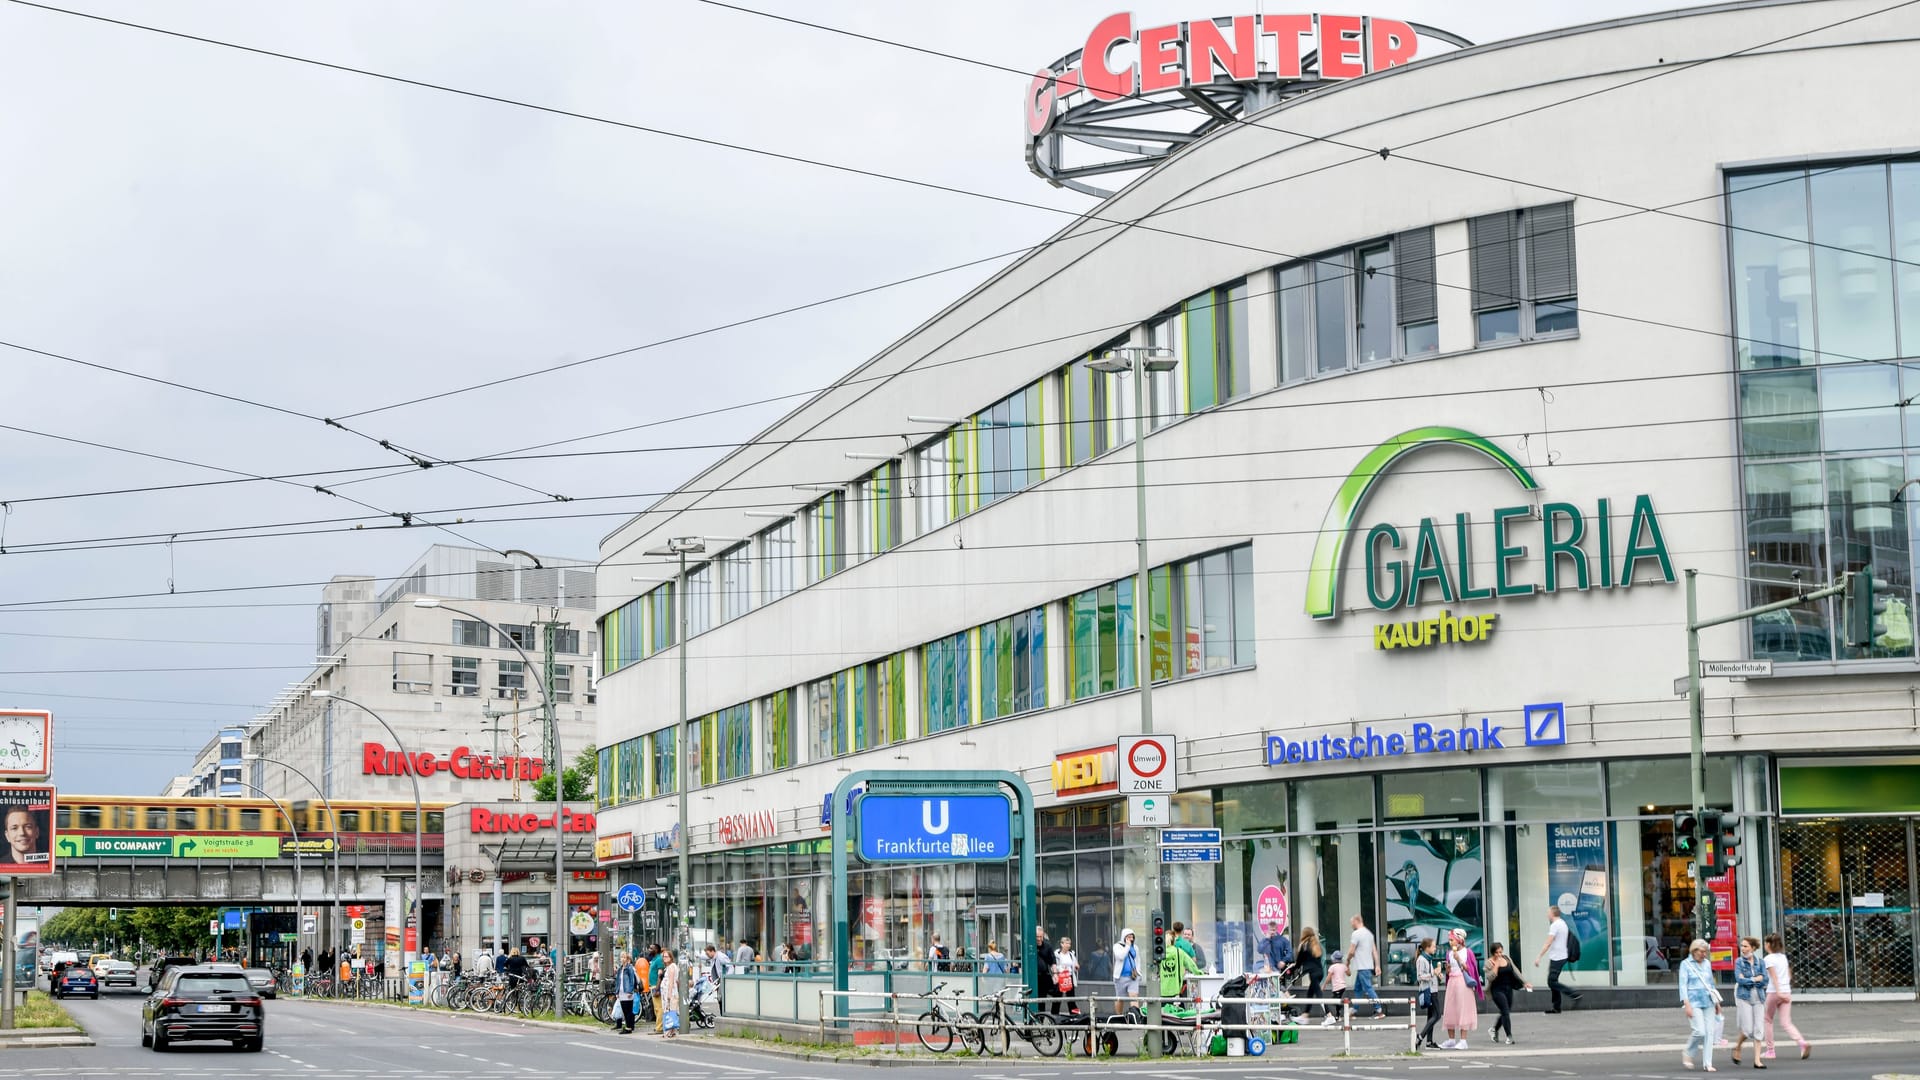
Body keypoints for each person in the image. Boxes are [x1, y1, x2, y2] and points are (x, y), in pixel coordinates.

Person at [1761, 933, 1809, 1061]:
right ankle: (1802, 1043)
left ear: (1769, 945)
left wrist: (1778, 991)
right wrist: (1785, 990)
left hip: (1774, 992)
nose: (1765, 945)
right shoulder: (1783, 957)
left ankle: (1770, 1051)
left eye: (1765, 943)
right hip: (1786, 991)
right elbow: (1788, 975)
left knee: (1767, 1020)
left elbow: (1773, 977)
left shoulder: (1768, 959)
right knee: (1786, 1022)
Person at [1681, 938, 1722, 1072]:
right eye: (1702, 952)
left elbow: (1711, 984)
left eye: (1706, 952)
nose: (1704, 954)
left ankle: (1708, 1063)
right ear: (1695, 950)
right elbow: (1682, 986)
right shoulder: (1685, 964)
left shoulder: (1707, 964)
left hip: (1708, 1000)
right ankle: (1688, 1052)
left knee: (1710, 1032)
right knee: (1700, 1031)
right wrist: (1686, 1004)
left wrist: (1716, 1002)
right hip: (1693, 1001)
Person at [1440, 928, 1482, 1050]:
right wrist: (1447, 968)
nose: (1450, 942)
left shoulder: (1467, 952)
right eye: (1449, 940)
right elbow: (1448, 972)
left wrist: (1458, 959)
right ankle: (1451, 1039)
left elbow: (1471, 970)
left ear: (1459, 940)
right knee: (1450, 1009)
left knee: (1463, 1009)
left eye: (1452, 940)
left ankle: (1463, 1040)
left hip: (1463, 982)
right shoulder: (1448, 953)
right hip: (1452, 982)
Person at [1534, 905, 1581, 1013]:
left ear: (1552, 913)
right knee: (1552, 981)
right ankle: (1556, 1007)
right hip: (1559, 956)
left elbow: (1548, 942)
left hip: (1558, 957)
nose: (1547, 914)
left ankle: (1574, 994)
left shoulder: (1555, 925)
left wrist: (1539, 957)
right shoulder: (1562, 923)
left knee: (1551, 981)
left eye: (1548, 912)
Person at [1731, 936, 1768, 1067]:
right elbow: (1739, 980)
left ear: (1753, 948)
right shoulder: (1739, 962)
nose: (1743, 948)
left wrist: (1756, 979)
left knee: (1759, 1029)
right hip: (1744, 997)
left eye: (1746, 946)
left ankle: (1757, 1060)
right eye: (1742, 946)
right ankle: (1737, 1047)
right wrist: (1754, 979)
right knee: (1747, 1030)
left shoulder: (1761, 962)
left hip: (1759, 997)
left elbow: (1765, 980)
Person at [1486, 942, 1530, 1045]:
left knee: (1505, 1012)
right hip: (1497, 990)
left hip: (1508, 989)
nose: (1499, 954)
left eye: (1500, 952)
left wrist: (1524, 982)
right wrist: (1496, 966)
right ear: (1493, 953)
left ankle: (1494, 1029)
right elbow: (1490, 977)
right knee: (1505, 1011)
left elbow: (1515, 971)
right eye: (1496, 953)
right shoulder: (1489, 962)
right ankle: (1509, 1036)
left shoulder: (1507, 958)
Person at [1348, 914, 1384, 1019]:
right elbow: (1374, 951)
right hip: (1366, 966)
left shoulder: (1356, 934)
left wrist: (1347, 962)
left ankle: (1379, 1010)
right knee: (1358, 988)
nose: (1351, 925)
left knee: (1368, 988)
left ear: (1356, 921)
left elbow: (1351, 951)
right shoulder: (1369, 934)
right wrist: (1377, 965)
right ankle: (1354, 1010)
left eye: (1352, 923)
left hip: (1362, 966)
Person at [1157, 923, 1201, 1008]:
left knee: (1163, 1015)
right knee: (1178, 1014)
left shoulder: (1160, 953)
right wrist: (1199, 973)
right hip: (1176, 990)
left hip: (1163, 990)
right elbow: (1191, 963)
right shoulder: (1179, 951)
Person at [1414, 938, 1442, 1049]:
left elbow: (1429, 974)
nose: (1435, 948)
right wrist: (1433, 973)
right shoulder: (1422, 959)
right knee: (1437, 1015)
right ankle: (1420, 1037)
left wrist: (1437, 974)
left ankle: (1429, 1042)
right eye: (1434, 946)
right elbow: (1420, 977)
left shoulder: (1428, 959)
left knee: (1431, 1015)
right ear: (1427, 948)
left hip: (1433, 990)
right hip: (1429, 991)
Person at [1294, 927, 1325, 1020]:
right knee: (1310, 993)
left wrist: (1294, 968)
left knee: (1319, 994)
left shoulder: (1304, 945)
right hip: (1320, 972)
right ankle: (1305, 1015)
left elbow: (1299, 961)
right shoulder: (1316, 945)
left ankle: (1329, 1014)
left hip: (1313, 974)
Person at [1033, 926, 1061, 1015]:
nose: (1039, 939)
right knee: (1041, 999)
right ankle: (1040, 1019)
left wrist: (1055, 974)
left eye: (1040, 937)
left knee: (1058, 991)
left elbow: (1052, 962)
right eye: (1037, 937)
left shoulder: (1047, 946)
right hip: (1035, 977)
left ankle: (1054, 1015)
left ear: (1043, 936)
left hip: (1045, 975)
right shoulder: (1030, 946)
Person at [1111, 929, 1140, 1009]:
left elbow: (1137, 960)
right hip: (1121, 977)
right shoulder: (1117, 946)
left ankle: (1135, 1016)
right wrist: (1127, 946)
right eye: (1128, 937)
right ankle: (1119, 1016)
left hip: (1132, 976)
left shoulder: (1135, 948)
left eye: (1132, 937)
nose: (1131, 939)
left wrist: (1138, 973)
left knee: (1134, 996)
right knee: (1120, 998)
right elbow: (1120, 956)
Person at [1320, 950, 1349, 1027]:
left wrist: (1324, 985)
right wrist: (1347, 966)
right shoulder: (1343, 966)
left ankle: (1345, 1008)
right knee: (1337, 1001)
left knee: (1329, 1002)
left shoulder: (1332, 967)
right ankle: (1338, 1016)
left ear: (1334, 959)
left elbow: (1328, 977)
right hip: (1343, 987)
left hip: (1337, 987)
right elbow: (1349, 974)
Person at [613, 950, 638, 1034]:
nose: (622, 959)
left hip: (627, 991)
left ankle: (629, 1027)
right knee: (624, 1010)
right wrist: (617, 992)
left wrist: (630, 991)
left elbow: (632, 980)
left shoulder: (629, 968)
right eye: (621, 957)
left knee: (628, 1010)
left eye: (624, 957)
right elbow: (618, 981)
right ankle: (629, 1026)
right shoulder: (620, 969)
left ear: (627, 959)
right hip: (621, 992)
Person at [660, 949, 683, 1038]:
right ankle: (672, 1030)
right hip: (670, 992)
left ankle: (669, 1031)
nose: (665, 958)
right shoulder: (671, 967)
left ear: (671, 957)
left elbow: (671, 981)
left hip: (670, 993)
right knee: (672, 1011)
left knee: (669, 1011)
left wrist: (669, 994)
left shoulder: (671, 967)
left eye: (666, 956)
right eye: (664, 957)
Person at [1055, 937, 1081, 1014]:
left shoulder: (1071, 954)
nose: (1068, 945)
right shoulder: (1057, 954)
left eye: (1069, 944)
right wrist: (1060, 969)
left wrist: (1076, 967)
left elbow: (1075, 964)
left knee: (1071, 998)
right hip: (1060, 977)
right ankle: (1054, 1014)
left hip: (1069, 977)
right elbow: (1054, 965)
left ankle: (1074, 1014)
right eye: (1066, 943)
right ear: (1061, 944)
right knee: (1057, 997)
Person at [705, 943, 732, 1012]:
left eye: (708, 954)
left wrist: (727, 977)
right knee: (720, 998)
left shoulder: (721, 957)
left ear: (712, 951)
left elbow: (730, 967)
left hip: (724, 980)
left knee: (722, 998)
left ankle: (724, 1013)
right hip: (719, 980)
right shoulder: (714, 958)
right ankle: (722, 1012)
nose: (707, 956)